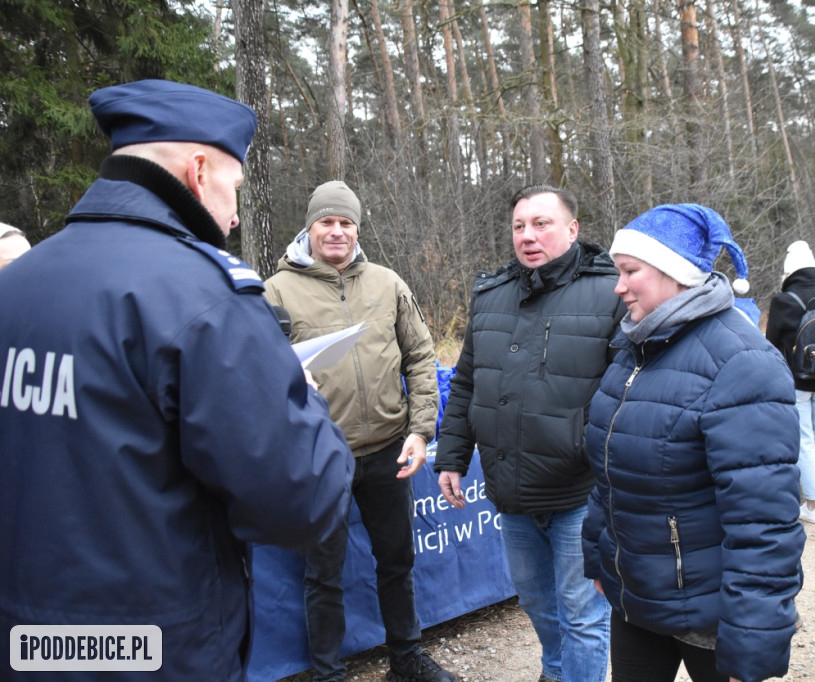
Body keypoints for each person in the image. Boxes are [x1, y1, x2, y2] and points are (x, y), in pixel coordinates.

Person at [0, 79, 355, 681]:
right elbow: (302, 501)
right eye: (233, 186)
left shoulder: (19, 284)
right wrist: (299, 396)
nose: (236, 212)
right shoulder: (203, 296)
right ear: (197, 170)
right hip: (155, 646)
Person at [582, 204, 804, 682]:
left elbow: (763, 521)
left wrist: (754, 630)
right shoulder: (633, 351)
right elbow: (608, 475)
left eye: (629, 272)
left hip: (712, 614)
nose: (617, 287)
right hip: (636, 597)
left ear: (674, 273)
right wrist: (599, 560)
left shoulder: (742, 365)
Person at [264, 181, 454, 682]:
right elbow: (254, 371)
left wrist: (420, 430)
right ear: (310, 227)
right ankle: (329, 673)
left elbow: (420, 358)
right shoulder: (276, 290)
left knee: (397, 562)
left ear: (356, 229)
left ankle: (406, 660)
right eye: (326, 221)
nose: (337, 231)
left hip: (391, 448)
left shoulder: (388, 283)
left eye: (346, 222)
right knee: (323, 574)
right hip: (321, 456)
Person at [434, 184, 625, 682]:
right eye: (519, 226)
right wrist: (452, 456)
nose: (528, 236)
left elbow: (627, 395)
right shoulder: (491, 295)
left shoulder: (611, 292)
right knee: (538, 604)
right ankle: (556, 670)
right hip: (511, 491)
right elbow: (467, 383)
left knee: (583, 615)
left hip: (580, 492)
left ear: (573, 229)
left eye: (541, 223)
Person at [766, 240, 815, 525]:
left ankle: (812, 505)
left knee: (805, 441)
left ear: (789, 271)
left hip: (797, 380)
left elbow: (771, 345)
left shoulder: (783, 301)